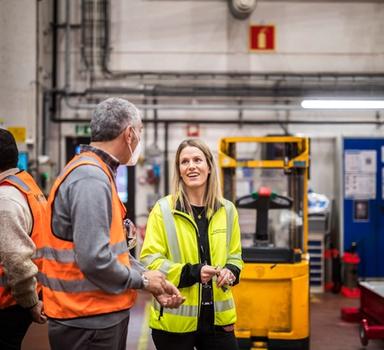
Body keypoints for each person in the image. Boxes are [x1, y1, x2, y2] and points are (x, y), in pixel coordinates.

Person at [40, 98, 184, 350]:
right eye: (139, 132)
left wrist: (147, 276)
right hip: (87, 319)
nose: (139, 138)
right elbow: (95, 259)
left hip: (95, 315)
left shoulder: (99, 174)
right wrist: (144, 282)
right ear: (129, 134)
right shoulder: (90, 178)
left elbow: (113, 250)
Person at [140, 138, 244, 350]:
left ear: (209, 166)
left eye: (197, 160)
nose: (191, 166)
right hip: (174, 320)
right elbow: (150, 261)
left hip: (218, 320)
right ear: (178, 170)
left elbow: (235, 256)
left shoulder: (228, 210)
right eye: (184, 162)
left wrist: (230, 272)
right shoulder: (163, 210)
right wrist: (193, 272)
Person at [0, 128, 47, 350]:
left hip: (9, 304)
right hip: (20, 299)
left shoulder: (5, 199)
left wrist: (30, 303)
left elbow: (16, 259)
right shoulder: (25, 184)